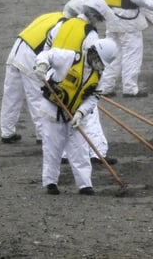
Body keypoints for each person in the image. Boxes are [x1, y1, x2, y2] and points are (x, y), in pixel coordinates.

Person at [33, 38, 118, 195]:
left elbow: (93, 98)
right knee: (53, 148)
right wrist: (42, 65)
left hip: (75, 115)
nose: (99, 66)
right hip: (53, 111)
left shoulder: (99, 77)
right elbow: (48, 54)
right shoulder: (70, 58)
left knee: (80, 149)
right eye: (99, 61)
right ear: (93, 53)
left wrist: (80, 113)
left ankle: (85, 185)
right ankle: (51, 182)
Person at [0, 0, 85, 145]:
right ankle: (42, 135)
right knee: (37, 98)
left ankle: (7, 132)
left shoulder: (50, 15)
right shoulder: (64, 26)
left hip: (16, 50)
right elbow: (55, 53)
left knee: (11, 95)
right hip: (31, 57)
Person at [49, 0, 116, 166]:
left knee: (62, 115)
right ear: (94, 16)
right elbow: (93, 59)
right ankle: (98, 153)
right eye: (99, 19)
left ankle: (64, 154)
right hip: (77, 78)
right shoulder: (90, 33)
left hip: (56, 74)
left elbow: (50, 42)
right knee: (89, 114)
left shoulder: (64, 23)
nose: (98, 22)